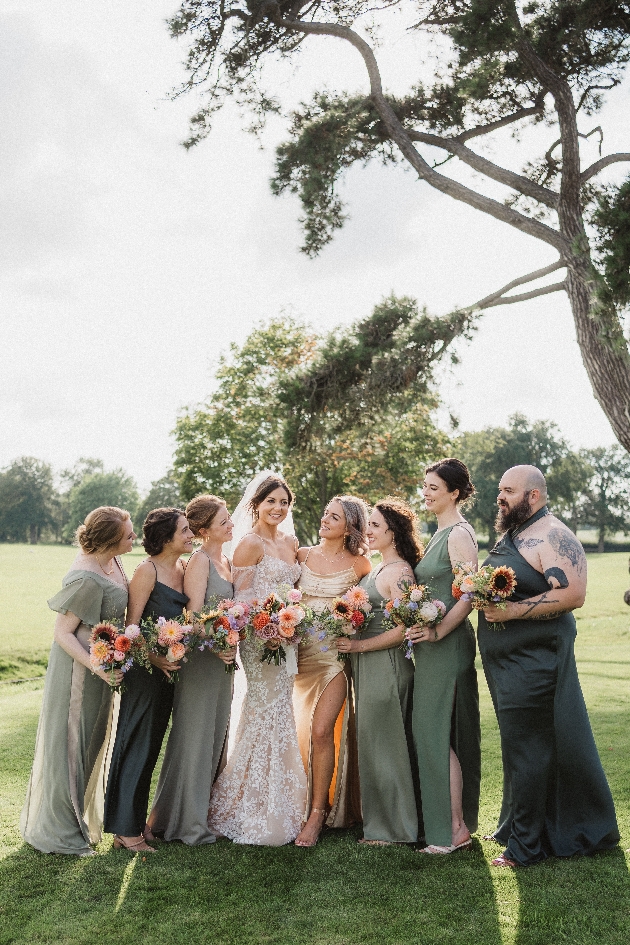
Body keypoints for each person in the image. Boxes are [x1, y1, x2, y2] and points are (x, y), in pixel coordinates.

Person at [478, 464, 619, 868]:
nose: (500, 497)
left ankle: (524, 849)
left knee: (529, 751)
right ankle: (514, 827)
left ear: (533, 495)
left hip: (536, 662)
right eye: (500, 489)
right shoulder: (516, 532)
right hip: (507, 663)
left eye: (508, 490)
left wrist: (510, 613)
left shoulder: (554, 535)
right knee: (517, 745)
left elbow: (573, 594)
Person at [21, 506, 135, 855]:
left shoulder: (112, 561)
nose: (135, 538)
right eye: (129, 534)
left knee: (93, 739)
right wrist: (96, 667)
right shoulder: (87, 576)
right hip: (79, 671)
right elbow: (63, 633)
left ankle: (78, 819)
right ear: (110, 540)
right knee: (72, 743)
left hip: (102, 663)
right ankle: (60, 831)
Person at [207, 472, 307, 846]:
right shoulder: (248, 544)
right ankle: (246, 803)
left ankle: (278, 799)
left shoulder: (292, 542)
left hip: (287, 636)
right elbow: (241, 599)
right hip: (258, 637)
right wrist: (270, 619)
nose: (278, 508)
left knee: (281, 710)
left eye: (284, 502)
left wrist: (291, 620)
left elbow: (295, 589)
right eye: (271, 502)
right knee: (263, 709)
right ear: (257, 504)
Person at [147, 495, 236, 845]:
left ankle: (197, 815)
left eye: (229, 519)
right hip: (202, 660)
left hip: (224, 661)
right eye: (224, 522)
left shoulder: (226, 560)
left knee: (214, 737)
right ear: (203, 531)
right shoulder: (199, 562)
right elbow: (194, 618)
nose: (231, 525)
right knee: (194, 739)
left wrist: (234, 635)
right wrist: (220, 642)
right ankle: (187, 824)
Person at [104, 508, 193, 853]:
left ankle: (134, 821)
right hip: (144, 670)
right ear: (166, 537)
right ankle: (125, 830)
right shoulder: (147, 570)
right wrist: (154, 657)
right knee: (135, 743)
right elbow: (132, 626)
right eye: (184, 531)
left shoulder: (183, 568)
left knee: (151, 745)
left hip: (168, 669)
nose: (190, 535)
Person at [406, 458, 481, 854]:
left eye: (434, 487)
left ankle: (452, 829)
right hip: (431, 647)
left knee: (434, 732)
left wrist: (437, 630)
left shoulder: (459, 535)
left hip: (447, 645)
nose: (427, 493)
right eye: (425, 486)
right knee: (433, 732)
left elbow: (469, 594)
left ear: (454, 492)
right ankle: (454, 825)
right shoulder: (440, 532)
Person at [337, 498, 423, 845]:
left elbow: (404, 629)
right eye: (368, 524)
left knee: (386, 748)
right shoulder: (378, 569)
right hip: (367, 668)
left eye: (374, 525)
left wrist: (357, 646)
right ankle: (384, 823)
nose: (368, 531)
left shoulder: (400, 572)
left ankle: (393, 830)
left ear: (393, 532)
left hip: (385, 668)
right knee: (374, 745)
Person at [293, 495, 370, 847]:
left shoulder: (361, 566)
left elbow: (369, 611)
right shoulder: (301, 555)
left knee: (323, 732)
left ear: (350, 526)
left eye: (334, 516)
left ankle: (317, 814)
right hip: (296, 660)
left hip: (332, 660)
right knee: (299, 733)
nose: (325, 519)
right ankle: (297, 802)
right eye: (325, 513)